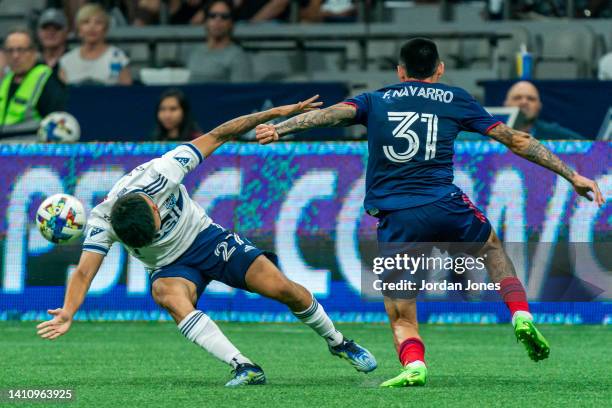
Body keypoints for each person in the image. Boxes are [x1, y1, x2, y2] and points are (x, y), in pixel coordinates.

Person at [256, 38, 604, 387]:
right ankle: (520, 314)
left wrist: (279, 128)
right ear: (440, 69)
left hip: (397, 218)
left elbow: (330, 116)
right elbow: (517, 140)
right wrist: (572, 175)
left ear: (400, 70)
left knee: (401, 313)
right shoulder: (456, 98)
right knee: (491, 247)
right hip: (445, 204)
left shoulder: (374, 100)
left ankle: (414, 364)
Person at [36, 95, 377, 386]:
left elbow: (221, 132)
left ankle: (338, 342)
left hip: (207, 239)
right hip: (169, 266)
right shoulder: (101, 222)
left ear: (152, 204)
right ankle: (244, 365)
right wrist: (68, 311)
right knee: (165, 294)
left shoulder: (163, 172)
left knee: (282, 288)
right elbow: (83, 273)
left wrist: (276, 114)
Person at [0, 28, 66, 138]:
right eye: (10, 51)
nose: (15, 56)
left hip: (30, 150)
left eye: (21, 50)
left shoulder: (46, 79)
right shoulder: (5, 80)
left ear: (33, 52)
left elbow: (57, 124)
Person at [59, 4, 132, 85]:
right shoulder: (67, 60)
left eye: (98, 22)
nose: (92, 27)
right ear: (79, 29)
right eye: (86, 22)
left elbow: (127, 93)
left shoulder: (118, 57)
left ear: (105, 29)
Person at [186, 0, 253, 83]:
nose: (218, 20)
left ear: (231, 23)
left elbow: (242, 93)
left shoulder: (238, 56)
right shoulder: (195, 52)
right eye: (212, 16)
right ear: (205, 22)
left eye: (224, 16)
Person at [503, 81, 584, 140]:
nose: (524, 102)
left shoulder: (557, 136)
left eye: (531, 99)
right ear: (505, 104)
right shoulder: (492, 135)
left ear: (539, 106)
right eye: (517, 98)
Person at [37, 8, 69, 80]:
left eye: (57, 28)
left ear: (66, 32)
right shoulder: (31, 61)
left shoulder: (74, 60)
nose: (50, 33)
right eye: (46, 28)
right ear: (38, 32)